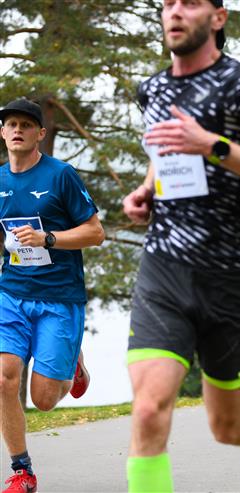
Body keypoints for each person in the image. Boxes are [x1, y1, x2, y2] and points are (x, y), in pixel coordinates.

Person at [121, 1, 240, 492]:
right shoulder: (153, 89)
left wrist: (212, 145)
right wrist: (147, 190)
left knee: (227, 426)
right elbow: (165, 152)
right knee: (148, 409)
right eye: (168, 3)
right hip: (164, 266)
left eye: (189, 3)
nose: (175, 12)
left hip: (230, 276)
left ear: (218, 18)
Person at [0, 98, 104, 493]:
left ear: (40, 133)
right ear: (2, 133)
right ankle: (22, 470)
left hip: (59, 297)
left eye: (26, 125)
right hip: (11, 293)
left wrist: (48, 238)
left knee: (43, 399)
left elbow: (95, 233)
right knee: (3, 379)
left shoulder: (61, 176)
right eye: (11, 124)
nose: (18, 130)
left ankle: (72, 363)